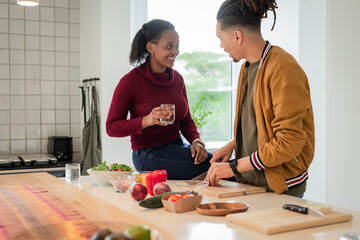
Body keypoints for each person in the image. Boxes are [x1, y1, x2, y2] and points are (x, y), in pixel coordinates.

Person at [205, 0, 315, 197]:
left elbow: (290, 141)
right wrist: (233, 145)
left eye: (220, 38)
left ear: (237, 36)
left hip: (280, 189)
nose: (221, 46)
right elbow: (259, 126)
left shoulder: (283, 68)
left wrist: (234, 167)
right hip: (251, 184)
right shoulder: (247, 67)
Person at [106, 19, 212, 180]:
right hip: (148, 155)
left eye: (177, 46)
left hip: (177, 147)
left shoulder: (177, 79)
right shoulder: (130, 82)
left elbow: (186, 120)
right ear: (150, 47)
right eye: (169, 46)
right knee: (216, 167)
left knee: (219, 163)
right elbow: (111, 127)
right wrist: (147, 120)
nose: (175, 51)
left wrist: (196, 142)